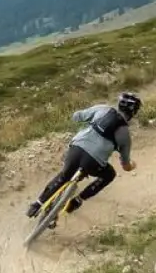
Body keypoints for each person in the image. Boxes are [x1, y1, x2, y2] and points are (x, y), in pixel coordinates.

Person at [27, 91, 141, 223]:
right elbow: (126, 165)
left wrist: (84, 122)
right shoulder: (125, 135)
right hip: (93, 163)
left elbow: (76, 116)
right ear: (134, 113)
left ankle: (37, 204)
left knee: (65, 175)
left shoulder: (102, 109)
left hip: (76, 149)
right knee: (109, 174)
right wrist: (132, 165)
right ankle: (76, 201)